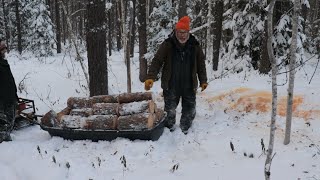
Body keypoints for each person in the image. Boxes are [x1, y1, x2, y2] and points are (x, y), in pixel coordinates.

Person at [144, 16, 208, 134]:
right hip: (171, 85)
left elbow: (201, 64)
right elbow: (157, 60)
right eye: (179, 32)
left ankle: (185, 130)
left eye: (184, 32)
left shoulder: (195, 45)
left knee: (189, 111)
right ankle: (169, 131)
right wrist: (150, 77)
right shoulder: (168, 44)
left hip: (189, 85)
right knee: (170, 111)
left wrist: (203, 80)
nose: (182, 35)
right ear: (176, 31)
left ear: (189, 32)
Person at [0, 40, 18, 142]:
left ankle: (6, 138)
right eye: (2, 49)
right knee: (3, 122)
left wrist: (14, 94)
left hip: (10, 97)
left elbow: (9, 80)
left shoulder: (3, 62)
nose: (4, 50)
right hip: (2, 100)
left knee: (10, 120)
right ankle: (4, 143)